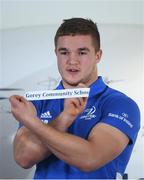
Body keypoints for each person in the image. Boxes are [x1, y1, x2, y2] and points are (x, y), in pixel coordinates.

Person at [9, 18, 140, 179]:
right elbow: (24, 158)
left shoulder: (119, 104)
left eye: (82, 52)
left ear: (98, 55)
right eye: (64, 52)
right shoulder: (38, 103)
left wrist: (33, 123)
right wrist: (65, 117)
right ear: (56, 54)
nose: (72, 61)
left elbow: (90, 158)